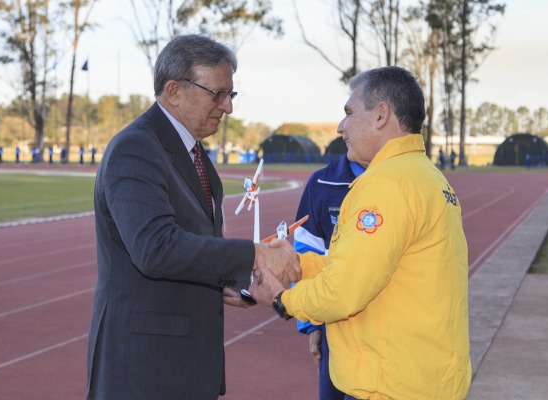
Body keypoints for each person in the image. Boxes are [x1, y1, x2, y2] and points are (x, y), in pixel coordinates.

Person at [86, 34, 300, 400]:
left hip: (180, 367)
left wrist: (231, 284)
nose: (228, 106)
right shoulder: (136, 148)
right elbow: (155, 248)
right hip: (145, 371)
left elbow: (188, 250)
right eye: (217, 93)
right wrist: (256, 255)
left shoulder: (192, 154)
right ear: (173, 91)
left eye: (232, 94)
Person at [251, 66, 471, 400]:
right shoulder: (427, 176)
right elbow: (359, 266)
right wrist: (299, 264)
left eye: (349, 113)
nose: (341, 127)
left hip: (391, 385)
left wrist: (282, 300)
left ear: (381, 115)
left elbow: (343, 291)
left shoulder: (386, 184)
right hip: (424, 377)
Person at [293, 153, 364, 400]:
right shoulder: (322, 183)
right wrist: (311, 324)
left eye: (350, 114)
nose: (341, 128)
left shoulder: (401, 182)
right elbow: (305, 253)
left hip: (387, 329)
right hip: (332, 324)